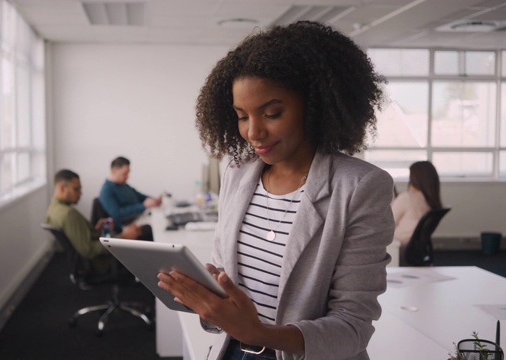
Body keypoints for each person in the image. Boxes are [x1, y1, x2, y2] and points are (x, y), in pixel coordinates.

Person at [157, 21, 394, 360]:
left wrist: (259, 332)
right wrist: (210, 295)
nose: (253, 132)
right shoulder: (237, 174)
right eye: (241, 116)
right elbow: (227, 276)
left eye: (271, 113)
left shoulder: (360, 188)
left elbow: (352, 328)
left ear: (314, 107)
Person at [46, 169, 141, 273]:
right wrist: (123, 237)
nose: (80, 193)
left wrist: (95, 230)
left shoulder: (53, 209)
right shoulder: (69, 214)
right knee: (142, 236)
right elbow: (88, 250)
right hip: (99, 263)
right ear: (62, 188)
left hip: (86, 261)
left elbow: (78, 238)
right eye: (76, 189)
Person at [392, 161, 442, 266]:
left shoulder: (406, 198)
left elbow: (386, 222)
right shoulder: (431, 201)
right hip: (416, 250)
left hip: (397, 247)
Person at [98, 156, 161, 236]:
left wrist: (153, 200)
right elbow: (117, 214)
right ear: (114, 171)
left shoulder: (124, 185)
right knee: (156, 229)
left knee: (159, 221)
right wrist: (143, 205)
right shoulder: (106, 191)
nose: (127, 176)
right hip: (126, 227)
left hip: (139, 218)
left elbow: (140, 196)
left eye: (128, 173)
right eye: (125, 174)